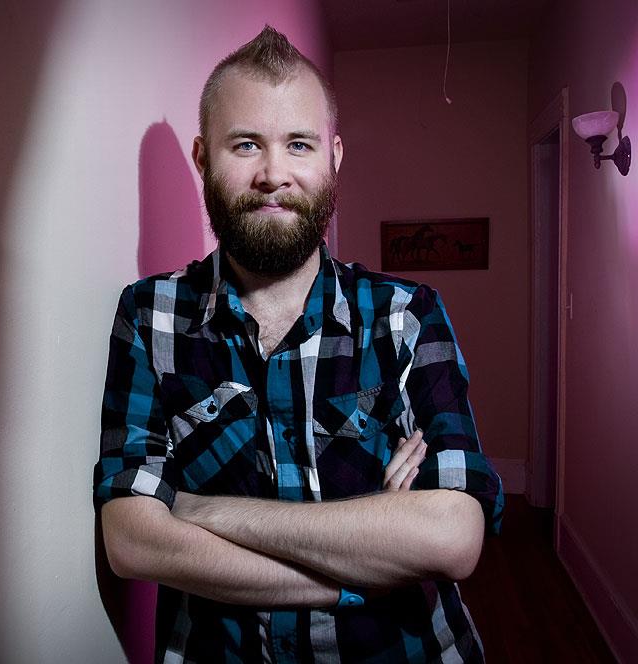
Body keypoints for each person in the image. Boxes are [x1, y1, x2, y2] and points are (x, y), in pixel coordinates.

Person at [93, 25, 503, 663]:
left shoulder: (406, 316)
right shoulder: (150, 316)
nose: (273, 174)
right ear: (203, 159)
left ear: (333, 157)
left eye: (299, 144)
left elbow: (452, 538)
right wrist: (360, 567)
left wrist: (197, 510)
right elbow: (131, 540)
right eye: (246, 144)